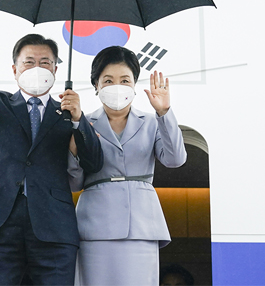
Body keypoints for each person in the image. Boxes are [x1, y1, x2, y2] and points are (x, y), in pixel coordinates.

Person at [0, 28, 103, 286]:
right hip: (1, 220)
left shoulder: (68, 113)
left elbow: (94, 162)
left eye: (45, 62)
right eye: (29, 62)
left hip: (53, 225)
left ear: (56, 70)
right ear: (15, 70)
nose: (38, 68)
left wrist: (79, 120)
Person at [68, 45, 187, 285]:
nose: (117, 86)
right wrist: (73, 142)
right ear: (96, 86)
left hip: (142, 226)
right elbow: (74, 182)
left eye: (124, 80)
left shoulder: (153, 121)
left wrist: (164, 112)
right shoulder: (83, 122)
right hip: (95, 226)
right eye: (108, 80)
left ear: (134, 84)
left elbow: (175, 159)